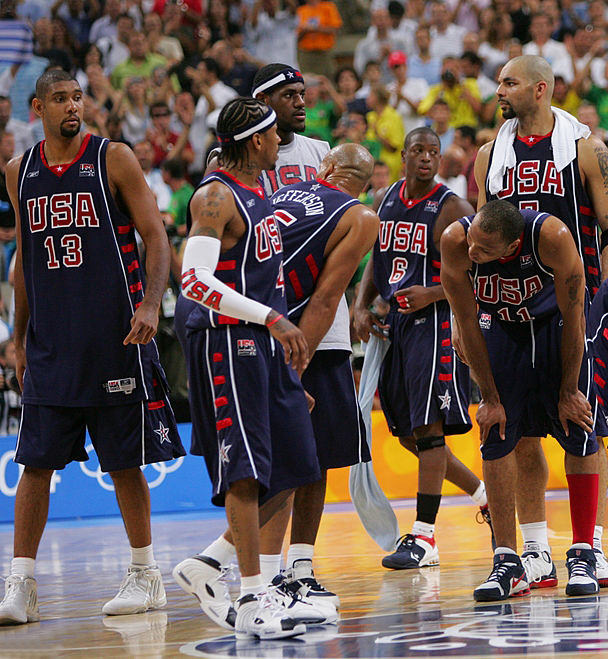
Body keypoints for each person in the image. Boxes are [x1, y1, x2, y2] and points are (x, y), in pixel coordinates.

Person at [0, 69, 185, 625]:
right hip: (53, 345)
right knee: (34, 463)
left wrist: (151, 304)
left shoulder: (113, 158)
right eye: (59, 98)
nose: (71, 106)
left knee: (125, 462)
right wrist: (18, 336)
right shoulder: (18, 172)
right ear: (37, 108)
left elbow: (155, 234)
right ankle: (21, 584)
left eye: (77, 96)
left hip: (114, 337)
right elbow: (25, 265)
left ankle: (145, 572)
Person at [173, 63, 347, 624]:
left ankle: (209, 563)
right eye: (273, 133)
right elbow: (195, 282)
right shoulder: (215, 198)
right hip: (227, 343)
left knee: (298, 460)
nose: (281, 140)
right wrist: (272, 320)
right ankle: (251, 596)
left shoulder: (258, 188)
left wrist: (281, 356)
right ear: (253, 141)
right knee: (247, 472)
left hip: (265, 348)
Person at [474, 54, 608, 589]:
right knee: (519, 429)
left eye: (509, 81)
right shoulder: (490, 153)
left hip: (577, 301)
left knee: (586, 425)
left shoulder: (586, 148)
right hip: (511, 303)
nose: (499, 89)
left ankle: (590, 546)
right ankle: (533, 551)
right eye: (499, 81)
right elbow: (481, 230)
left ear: (540, 89)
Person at [441, 200, 600, 600]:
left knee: (577, 426)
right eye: (473, 242)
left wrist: (567, 391)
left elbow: (575, 314)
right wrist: (489, 396)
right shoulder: (456, 241)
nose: (473, 253)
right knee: (495, 432)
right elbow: (466, 322)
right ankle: (508, 560)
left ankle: (585, 552)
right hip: (500, 328)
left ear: (512, 246)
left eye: (485, 250)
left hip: (555, 327)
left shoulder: (552, 238)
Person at [353, 127, 493, 569]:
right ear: (403, 155)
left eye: (434, 152)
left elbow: (480, 268)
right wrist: (360, 305)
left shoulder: (452, 206)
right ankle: (482, 494)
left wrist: (432, 294)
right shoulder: (386, 198)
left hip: (434, 322)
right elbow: (375, 263)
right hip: (394, 324)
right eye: (419, 151)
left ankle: (425, 538)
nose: (427, 158)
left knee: (430, 431)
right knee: (410, 434)